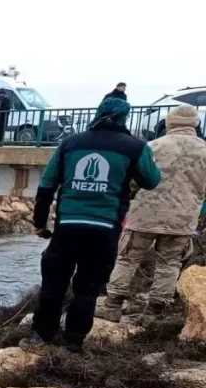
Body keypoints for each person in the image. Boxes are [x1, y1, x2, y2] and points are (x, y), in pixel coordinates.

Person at [27, 97, 161, 352]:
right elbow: (152, 180)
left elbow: (46, 187)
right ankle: (74, 342)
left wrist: (40, 223)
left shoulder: (71, 143)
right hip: (105, 229)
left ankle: (41, 337)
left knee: (53, 283)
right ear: (125, 118)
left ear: (99, 112)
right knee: (88, 289)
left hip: (68, 226)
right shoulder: (135, 147)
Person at [98, 105, 206, 321]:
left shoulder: (152, 146)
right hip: (183, 218)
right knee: (170, 264)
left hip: (144, 215)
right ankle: (153, 313)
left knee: (127, 259)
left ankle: (112, 305)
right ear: (196, 124)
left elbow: (131, 182)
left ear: (169, 123)